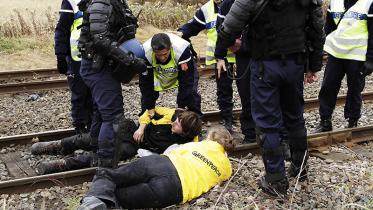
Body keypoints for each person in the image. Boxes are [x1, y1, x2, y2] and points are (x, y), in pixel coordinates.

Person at [217, 0, 325, 196]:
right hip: (295, 65)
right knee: (295, 117)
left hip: (266, 67)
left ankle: (276, 180)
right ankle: (300, 168)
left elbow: (227, 29)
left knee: (267, 124)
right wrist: (313, 66)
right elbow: (318, 31)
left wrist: (229, 47)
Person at [77, 126, 234, 210]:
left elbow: (172, 151)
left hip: (161, 164)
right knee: (119, 197)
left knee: (107, 175)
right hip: (174, 190)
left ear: (211, 138)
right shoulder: (227, 169)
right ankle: (104, 203)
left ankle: (92, 201)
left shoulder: (200, 144)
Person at [77, 0, 147, 168]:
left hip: (105, 65)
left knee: (101, 113)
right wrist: (130, 60)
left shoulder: (116, 2)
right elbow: (100, 40)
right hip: (98, 67)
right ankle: (107, 165)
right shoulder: (101, 3)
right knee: (113, 116)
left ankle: (97, 152)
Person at [31, 107, 202, 175]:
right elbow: (149, 110)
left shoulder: (188, 144)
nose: (174, 123)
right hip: (133, 130)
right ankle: (58, 146)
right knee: (95, 138)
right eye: (176, 121)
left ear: (185, 133)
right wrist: (141, 128)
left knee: (108, 156)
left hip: (135, 147)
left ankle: (63, 164)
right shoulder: (173, 114)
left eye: (178, 125)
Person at [314, 0, 373, 132]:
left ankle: (352, 122)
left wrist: (370, 59)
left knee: (354, 90)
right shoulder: (335, 2)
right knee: (328, 88)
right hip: (336, 54)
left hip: (357, 55)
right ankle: (325, 121)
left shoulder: (369, 3)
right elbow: (328, 28)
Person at [178, 0, 236, 131]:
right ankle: (227, 120)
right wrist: (181, 32)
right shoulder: (207, 9)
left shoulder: (236, 3)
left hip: (241, 56)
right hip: (221, 58)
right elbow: (193, 26)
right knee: (224, 91)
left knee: (247, 92)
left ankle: (249, 123)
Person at [140, 32, 202, 116]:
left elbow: (187, 81)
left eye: (165, 54)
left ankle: (195, 118)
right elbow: (146, 83)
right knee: (147, 99)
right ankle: (145, 119)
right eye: (158, 55)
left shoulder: (182, 50)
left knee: (191, 92)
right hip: (157, 69)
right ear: (153, 51)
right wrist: (150, 107)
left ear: (170, 48)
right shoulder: (145, 54)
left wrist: (181, 107)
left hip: (181, 65)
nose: (162, 58)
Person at [54, 0, 93, 134]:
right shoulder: (71, 2)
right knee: (79, 95)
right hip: (77, 58)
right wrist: (60, 55)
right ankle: (80, 129)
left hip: (96, 57)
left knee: (94, 95)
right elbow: (62, 30)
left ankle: (94, 128)